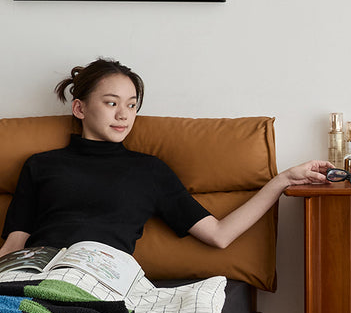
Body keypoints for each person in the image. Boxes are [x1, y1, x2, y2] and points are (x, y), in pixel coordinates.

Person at [0, 58, 331, 259]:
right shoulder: (41, 165)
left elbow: (219, 235)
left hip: (103, 276)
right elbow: (14, 246)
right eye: (111, 103)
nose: (123, 115)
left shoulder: (149, 171)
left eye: (131, 105)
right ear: (80, 108)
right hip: (42, 271)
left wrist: (281, 181)